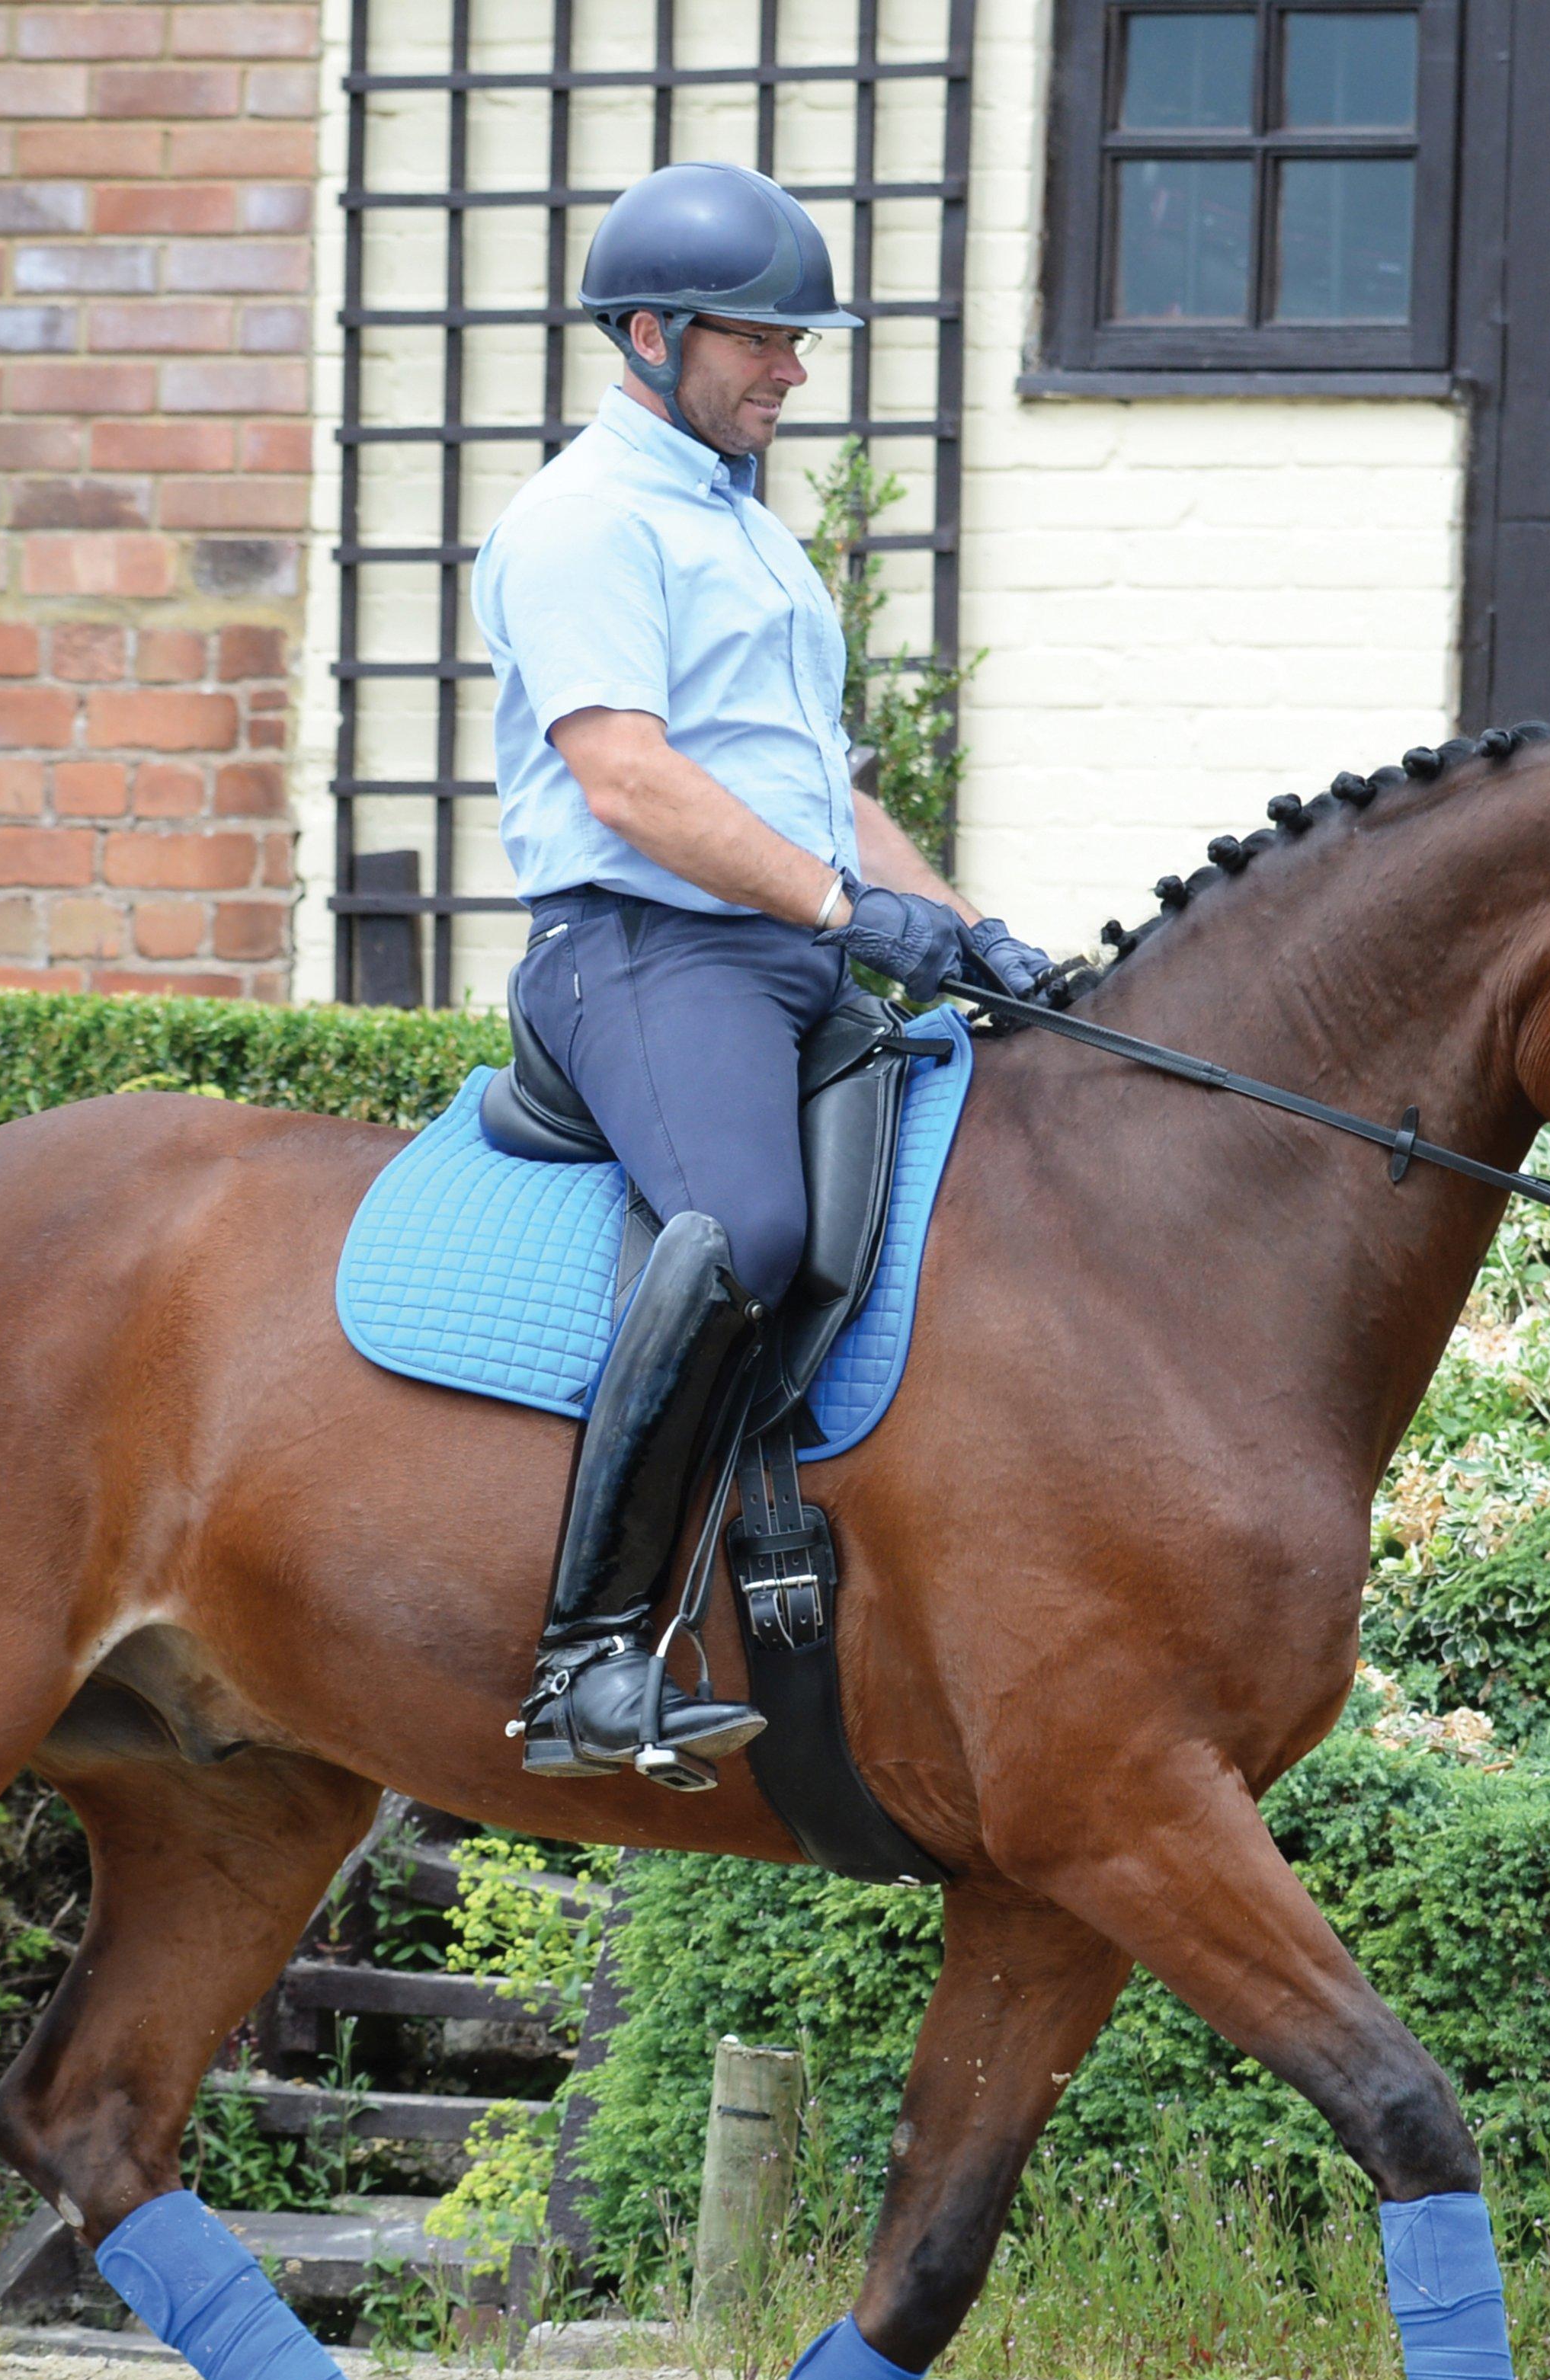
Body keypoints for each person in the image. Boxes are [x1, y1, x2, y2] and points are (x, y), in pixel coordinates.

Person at [472, 160, 1052, 1790]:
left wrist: (959, 921)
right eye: (762, 342)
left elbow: (821, 792)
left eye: (799, 342)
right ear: (651, 336)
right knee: (745, 1230)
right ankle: (585, 1655)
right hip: (644, 953)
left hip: (784, 946)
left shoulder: (742, 533)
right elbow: (630, 781)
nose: (792, 370)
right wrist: (832, 906)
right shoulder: (584, 519)